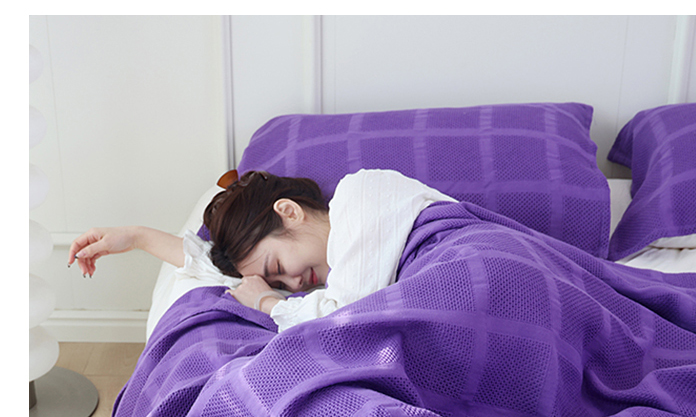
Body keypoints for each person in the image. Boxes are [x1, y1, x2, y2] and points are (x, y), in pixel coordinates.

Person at [68, 165, 453, 332]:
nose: (294, 285)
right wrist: (137, 237)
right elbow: (228, 278)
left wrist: (269, 302)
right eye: (279, 284)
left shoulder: (362, 194)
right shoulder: (340, 266)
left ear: (289, 212)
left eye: (278, 266)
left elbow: (343, 319)